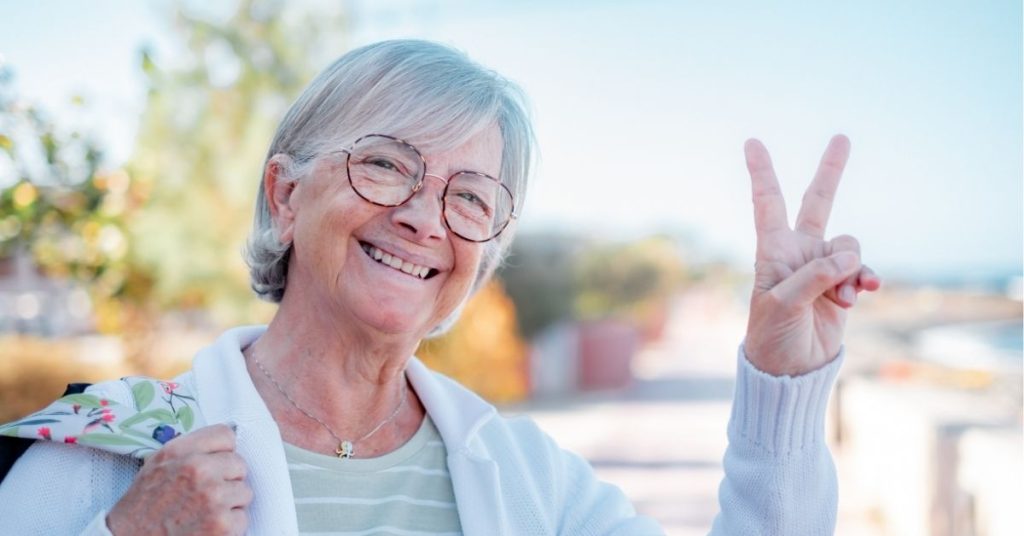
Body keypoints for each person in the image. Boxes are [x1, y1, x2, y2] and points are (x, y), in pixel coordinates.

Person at [0, 39, 880, 535]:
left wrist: (781, 383)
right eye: (384, 164)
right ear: (284, 194)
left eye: (470, 197)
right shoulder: (106, 456)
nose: (427, 217)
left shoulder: (534, 485)